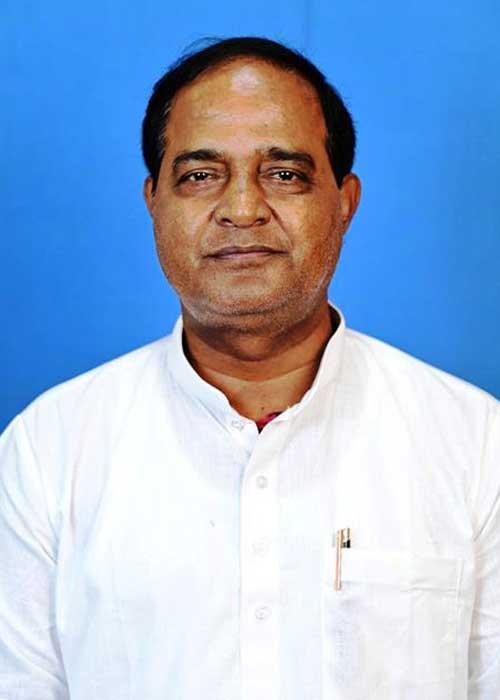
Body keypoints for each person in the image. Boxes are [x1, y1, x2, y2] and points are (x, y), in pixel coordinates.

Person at [0, 36, 498, 700]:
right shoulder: (48, 451)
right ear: (154, 202)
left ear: (345, 202)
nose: (242, 209)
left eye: (284, 174)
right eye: (201, 175)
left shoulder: (475, 444)